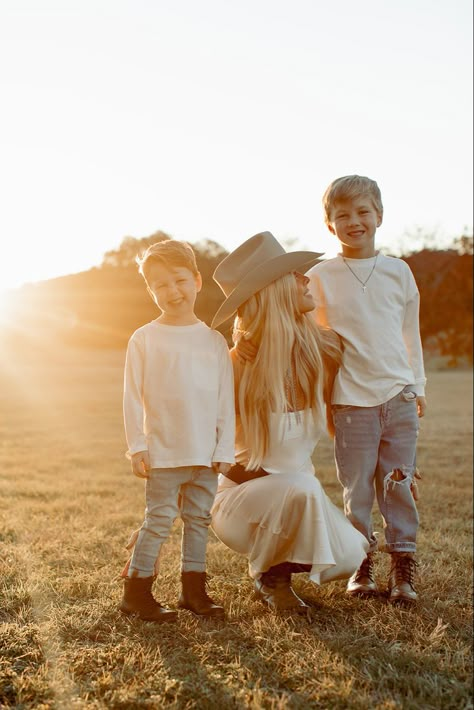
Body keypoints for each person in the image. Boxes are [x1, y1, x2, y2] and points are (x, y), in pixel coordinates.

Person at [210, 231, 369, 614]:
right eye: (294, 274)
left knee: (352, 554)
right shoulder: (233, 365)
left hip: (301, 496)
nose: (305, 278)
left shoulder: (326, 349)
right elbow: (205, 444)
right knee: (300, 486)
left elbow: (347, 421)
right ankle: (270, 575)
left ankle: (284, 553)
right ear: (274, 290)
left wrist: (398, 465)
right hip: (240, 502)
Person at [306, 175, 427, 605]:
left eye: (362, 212)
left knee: (398, 484)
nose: (354, 221)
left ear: (379, 215)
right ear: (329, 224)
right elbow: (309, 336)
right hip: (350, 402)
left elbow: (409, 334)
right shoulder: (318, 276)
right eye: (342, 215)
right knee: (356, 489)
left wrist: (418, 385)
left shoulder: (399, 272)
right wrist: (323, 398)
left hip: (398, 397)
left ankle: (402, 570)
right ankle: (361, 566)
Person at [119, 239, 235, 622]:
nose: (173, 291)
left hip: (204, 454)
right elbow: (132, 397)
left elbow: (224, 402)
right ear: (151, 291)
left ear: (197, 281)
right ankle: (136, 592)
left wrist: (224, 449)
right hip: (164, 452)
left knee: (199, 521)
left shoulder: (214, 341)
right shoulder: (144, 338)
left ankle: (194, 591)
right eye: (161, 285)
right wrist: (137, 445)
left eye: (180, 280)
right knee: (158, 520)